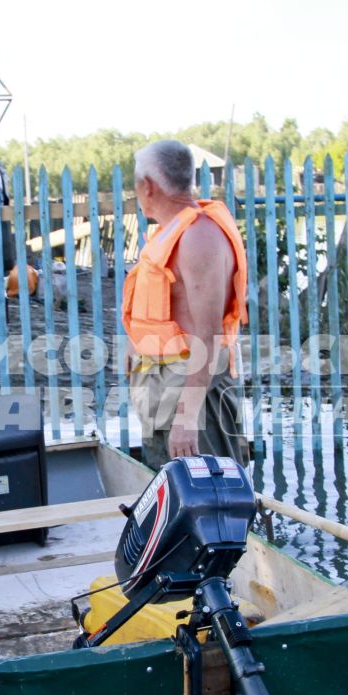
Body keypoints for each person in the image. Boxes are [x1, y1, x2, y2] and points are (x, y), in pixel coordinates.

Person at [121, 139, 249, 468]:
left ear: (147, 186)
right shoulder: (167, 233)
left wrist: (187, 418)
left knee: (213, 504)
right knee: (172, 502)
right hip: (162, 392)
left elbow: (209, 333)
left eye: (136, 183)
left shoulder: (198, 236)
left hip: (193, 399)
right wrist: (134, 345)